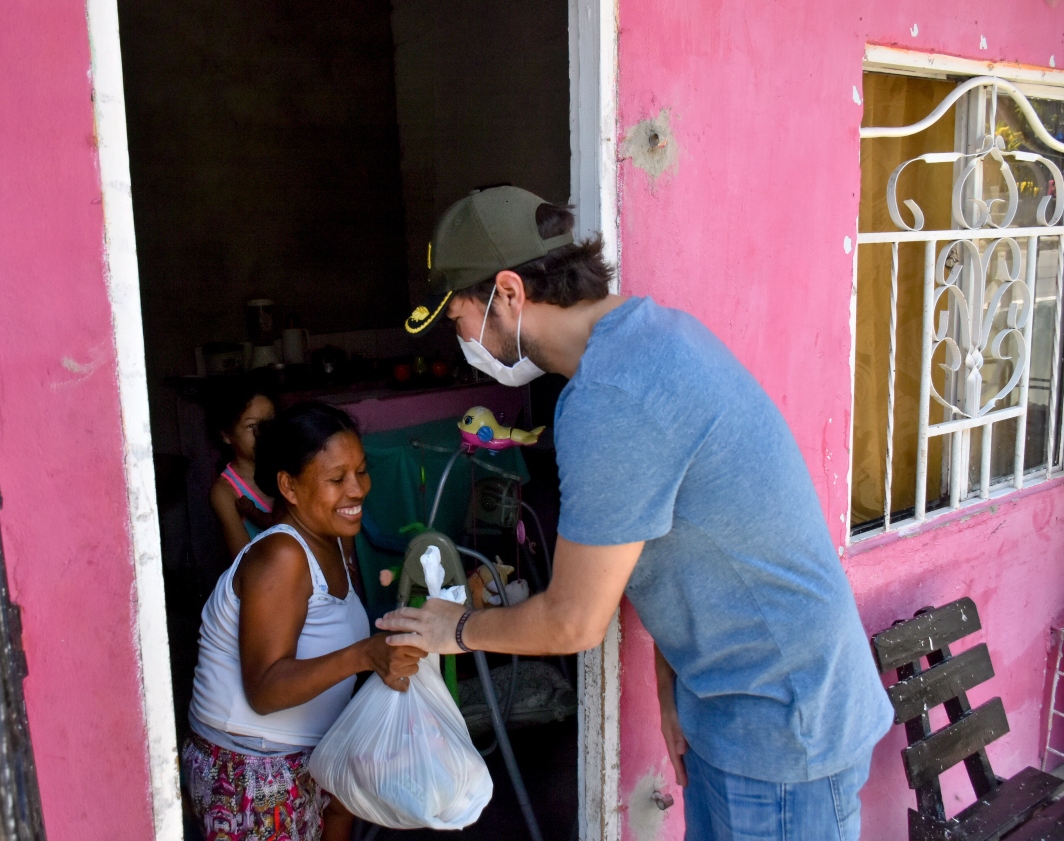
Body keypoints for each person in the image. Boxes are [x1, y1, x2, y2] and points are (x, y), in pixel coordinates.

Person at [378, 186, 893, 841]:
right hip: (737, 704)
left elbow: (573, 620)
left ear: (509, 293)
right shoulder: (649, 335)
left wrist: (457, 628)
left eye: (458, 319)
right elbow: (678, 533)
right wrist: (671, 680)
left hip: (780, 729)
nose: (460, 342)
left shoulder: (610, 397)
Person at [185, 402, 424, 841]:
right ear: (289, 487)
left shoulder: (330, 542)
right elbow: (265, 689)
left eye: (361, 472)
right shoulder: (282, 556)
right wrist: (364, 655)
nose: (357, 490)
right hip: (250, 775)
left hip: (305, 759)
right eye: (337, 479)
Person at [209, 384, 279, 559]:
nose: (262, 433)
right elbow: (244, 562)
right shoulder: (224, 492)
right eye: (251, 426)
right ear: (226, 435)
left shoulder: (291, 467)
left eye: (269, 422)